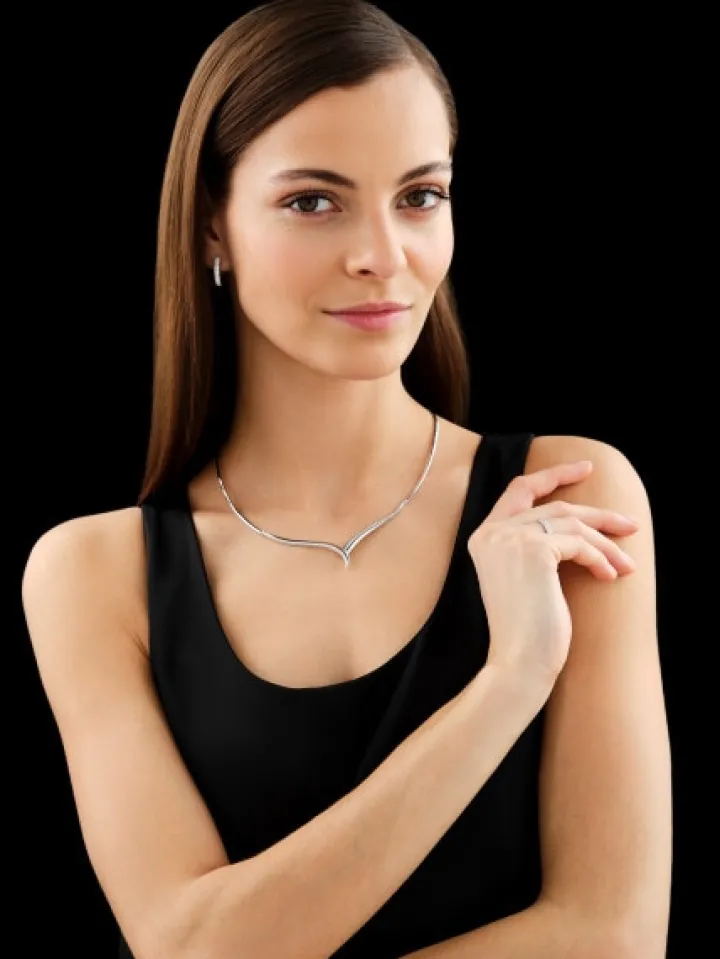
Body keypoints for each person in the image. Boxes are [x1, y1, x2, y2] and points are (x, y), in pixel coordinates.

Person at [21, 1, 672, 957]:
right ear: (210, 227)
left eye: (420, 196)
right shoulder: (93, 573)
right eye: (313, 202)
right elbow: (190, 947)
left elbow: (612, 936)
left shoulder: (570, 496)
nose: (383, 256)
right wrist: (509, 681)